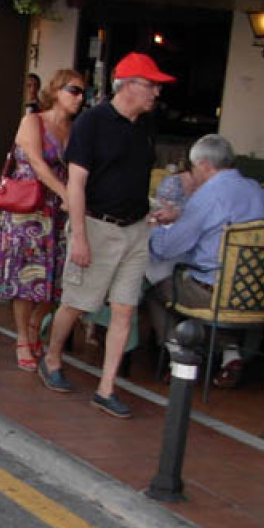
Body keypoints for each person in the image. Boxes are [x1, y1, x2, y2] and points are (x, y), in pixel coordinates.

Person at [37, 52, 175, 418]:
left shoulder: (146, 127)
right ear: (128, 85)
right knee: (78, 302)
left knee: (126, 309)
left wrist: (156, 209)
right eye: (151, 84)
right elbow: (77, 184)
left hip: (135, 230)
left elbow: (133, 178)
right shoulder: (92, 123)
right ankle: (51, 359)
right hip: (97, 226)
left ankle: (106, 388)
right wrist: (79, 235)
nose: (156, 92)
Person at [146, 133, 264, 389]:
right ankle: (231, 355)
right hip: (255, 294)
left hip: (211, 293)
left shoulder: (209, 194)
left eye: (193, 167)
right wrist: (182, 214)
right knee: (216, 285)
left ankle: (177, 357)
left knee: (156, 287)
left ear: (204, 165)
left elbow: (170, 246)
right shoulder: (256, 191)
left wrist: (153, 230)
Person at [0, 69, 85, 370]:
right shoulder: (33, 121)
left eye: (83, 92)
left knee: (55, 278)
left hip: (57, 213)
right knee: (25, 277)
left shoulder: (75, 130)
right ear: (56, 91)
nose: (79, 98)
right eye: (74, 90)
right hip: (28, 209)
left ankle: (33, 327)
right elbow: (38, 164)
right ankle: (22, 337)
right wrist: (66, 194)